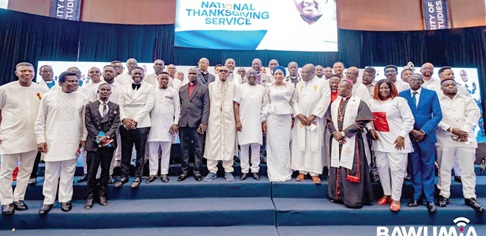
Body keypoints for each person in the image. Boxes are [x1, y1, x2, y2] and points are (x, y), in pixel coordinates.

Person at [35, 71, 88, 214]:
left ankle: (65, 199)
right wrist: (40, 139)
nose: (74, 84)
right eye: (70, 81)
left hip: (72, 140)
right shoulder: (48, 97)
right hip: (52, 139)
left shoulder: (82, 98)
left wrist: (83, 138)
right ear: (61, 83)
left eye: (76, 81)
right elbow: (40, 120)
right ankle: (48, 201)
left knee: (68, 172)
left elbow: (84, 122)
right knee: (51, 173)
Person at [0, 62, 49, 215]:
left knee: (26, 171)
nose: (27, 73)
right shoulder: (5, 89)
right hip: (10, 135)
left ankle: (18, 198)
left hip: (32, 137)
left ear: (34, 73)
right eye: (23, 71)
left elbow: (45, 113)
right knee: (6, 171)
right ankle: (6, 201)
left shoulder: (42, 90)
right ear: (16, 72)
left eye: (30, 71)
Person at [435, 69, 483, 212]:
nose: (450, 86)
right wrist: (451, 129)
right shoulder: (436, 100)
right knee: (444, 169)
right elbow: (436, 117)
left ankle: (470, 197)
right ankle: (444, 195)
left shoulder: (467, 99)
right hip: (445, 139)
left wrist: (465, 131)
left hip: (466, 139)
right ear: (441, 88)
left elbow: (474, 114)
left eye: (452, 84)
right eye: (447, 85)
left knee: (467, 170)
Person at [326, 79, 374, 208]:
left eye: (342, 87)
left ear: (349, 89)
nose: (338, 88)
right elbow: (329, 120)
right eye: (338, 86)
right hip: (337, 140)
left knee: (351, 167)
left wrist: (343, 133)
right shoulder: (335, 103)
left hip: (352, 140)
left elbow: (362, 122)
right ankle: (337, 196)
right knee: (337, 166)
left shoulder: (358, 102)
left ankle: (353, 198)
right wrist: (335, 134)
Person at [367, 79, 414, 212]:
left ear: (391, 88)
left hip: (397, 142)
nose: (384, 90)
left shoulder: (399, 101)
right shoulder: (371, 102)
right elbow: (367, 119)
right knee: (382, 169)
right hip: (379, 142)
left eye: (386, 88)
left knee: (397, 171)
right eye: (381, 88)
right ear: (377, 89)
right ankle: (386, 194)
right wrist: (371, 129)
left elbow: (409, 120)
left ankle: (396, 198)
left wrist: (402, 135)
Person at [399, 73, 442, 213]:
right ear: (408, 82)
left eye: (418, 80)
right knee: (414, 167)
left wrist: (423, 131)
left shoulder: (431, 94)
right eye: (412, 80)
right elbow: (399, 116)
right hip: (410, 136)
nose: (415, 82)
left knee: (428, 167)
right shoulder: (402, 95)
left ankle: (429, 198)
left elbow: (438, 115)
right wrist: (412, 131)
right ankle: (416, 196)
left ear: (422, 81)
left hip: (427, 136)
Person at [115, 67, 155, 189]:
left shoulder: (149, 87)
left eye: (140, 73)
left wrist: (135, 120)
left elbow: (149, 105)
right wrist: (124, 119)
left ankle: (138, 176)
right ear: (131, 74)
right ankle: (124, 175)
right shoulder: (123, 87)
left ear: (144, 75)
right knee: (125, 150)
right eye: (135, 73)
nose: (137, 75)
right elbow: (120, 104)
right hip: (126, 122)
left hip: (142, 123)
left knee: (140, 151)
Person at [291, 64, 330, 184]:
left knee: (315, 144)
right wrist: (298, 114)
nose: (302, 74)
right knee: (301, 143)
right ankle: (301, 171)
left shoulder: (322, 83)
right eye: (302, 72)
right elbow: (294, 100)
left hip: (315, 120)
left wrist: (314, 115)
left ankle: (314, 173)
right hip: (301, 120)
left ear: (313, 73)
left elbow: (325, 100)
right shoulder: (299, 84)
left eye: (305, 73)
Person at [84, 83, 120, 210]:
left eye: (107, 90)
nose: (105, 92)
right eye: (102, 90)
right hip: (93, 143)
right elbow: (88, 123)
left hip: (108, 143)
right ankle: (90, 196)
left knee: (105, 171)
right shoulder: (89, 106)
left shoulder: (115, 106)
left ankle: (102, 194)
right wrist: (98, 137)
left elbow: (115, 124)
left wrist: (107, 136)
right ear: (98, 91)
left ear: (110, 92)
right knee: (91, 171)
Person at [204, 66, 239, 182]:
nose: (223, 73)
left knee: (228, 143)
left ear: (229, 73)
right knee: (212, 142)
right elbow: (207, 103)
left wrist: (237, 120)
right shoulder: (211, 86)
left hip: (229, 119)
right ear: (217, 73)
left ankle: (228, 170)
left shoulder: (234, 86)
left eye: (226, 71)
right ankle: (212, 170)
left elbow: (236, 104)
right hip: (214, 118)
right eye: (221, 71)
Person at [146, 72, 180, 184]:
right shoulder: (152, 91)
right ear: (158, 79)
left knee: (166, 151)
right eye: (162, 79)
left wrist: (175, 123)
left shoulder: (173, 92)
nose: (164, 81)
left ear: (169, 80)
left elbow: (177, 109)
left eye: (166, 79)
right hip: (153, 126)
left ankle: (164, 173)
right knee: (152, 151)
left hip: (168, 126)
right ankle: (153, 173)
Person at [262, 66, 294, 182]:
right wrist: (263, 119)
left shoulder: (290, 87)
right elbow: (266, 104)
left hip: (286, 117)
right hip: (273, 117)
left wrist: (294, 117)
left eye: (280, 74)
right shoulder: (269, 87)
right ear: (273, 75)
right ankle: (274, 171)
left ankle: (284, 170)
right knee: (273, 144)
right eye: (276, 74)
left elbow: (292, 102)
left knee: (284, 144)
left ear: (284, 75)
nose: (278, 76)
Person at [178, 68, 209, 182]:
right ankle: (184, 171)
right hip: (183, 123)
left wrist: (204, 122)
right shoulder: (181, 89)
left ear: (198, 75)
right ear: (187, 75)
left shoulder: (204, 88)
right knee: (184, 149)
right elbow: (178, 107)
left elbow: (206, 107)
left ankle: (197, 171)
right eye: (190, 74)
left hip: (197, 124)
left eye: (194, 74)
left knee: (198, 149)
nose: (192, 75)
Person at [234, 69, 265, 180]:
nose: (252, 76)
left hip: (257, 121)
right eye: (249, 74)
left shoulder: (262, 89)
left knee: (256, 145)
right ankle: (244, 170)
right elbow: (236, 105)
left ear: (257, 76)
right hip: (244, 121)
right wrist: (237, 121)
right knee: (244, 146)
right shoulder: (241, 88)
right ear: (246, 76)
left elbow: (264, 105)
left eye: (254, 74)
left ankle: (255, 170)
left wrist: (264, 121)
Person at [30, 65, 57, 185]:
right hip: (40, 119)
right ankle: (32, 174)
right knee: (37, 149)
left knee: (53, 148)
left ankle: (51, 172)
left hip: (55, 121)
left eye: (49, 71)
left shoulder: (58, 86)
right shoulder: (35, 87)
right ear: (40, 74)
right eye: (44, 71)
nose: (47, 73)